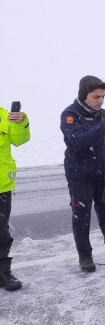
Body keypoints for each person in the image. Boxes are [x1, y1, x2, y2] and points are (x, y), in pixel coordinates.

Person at [60, 75, 105, 272]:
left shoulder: (101, 114)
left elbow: (100, 142)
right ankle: (85, 256)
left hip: (102, 172)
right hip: (79, 175)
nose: (101, 101)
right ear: (84, 95)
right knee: (81, 216)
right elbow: (77, 141)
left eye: (103, 97)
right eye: (96, 97)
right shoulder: (69, 114)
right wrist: (104, 125)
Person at [0, 103, 30, 291]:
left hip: (1, 184)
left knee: (1, 233)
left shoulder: (4, 115)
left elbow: (19, 140)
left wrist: (21, 122)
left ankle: (3, 272)